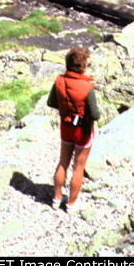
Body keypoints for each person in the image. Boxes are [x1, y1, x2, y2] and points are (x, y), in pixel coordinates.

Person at [48, 46, 100, 214]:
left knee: (63, 162)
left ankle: (56, 199)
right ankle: (71, 204)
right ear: (83, 66)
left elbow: (51, 103)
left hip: (66, 127)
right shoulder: (87, 88)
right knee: (78, 167)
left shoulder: (59, 81)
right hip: (82, 131)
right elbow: (96, 115)